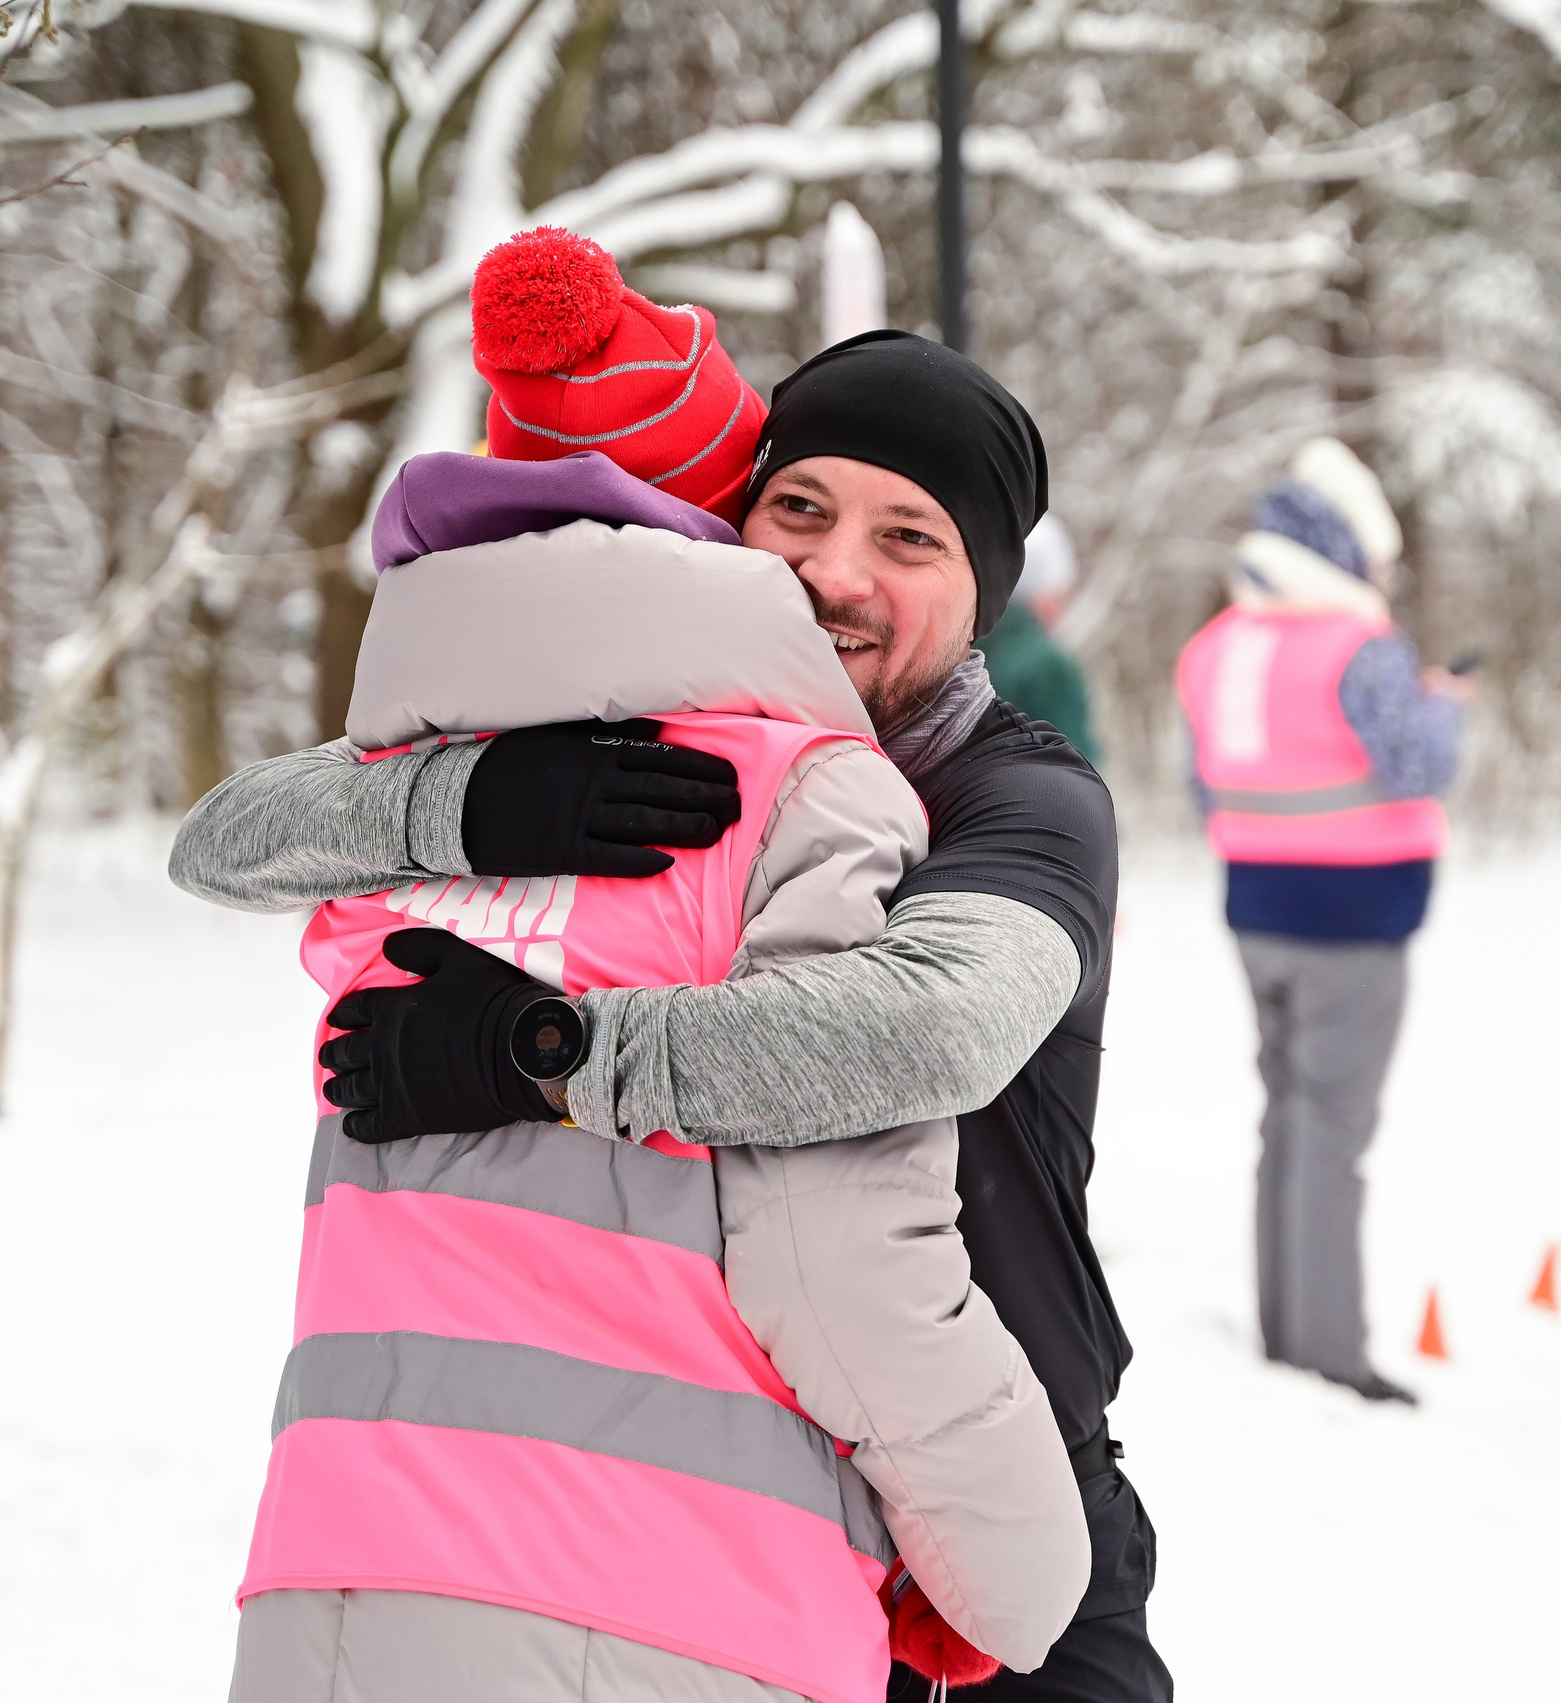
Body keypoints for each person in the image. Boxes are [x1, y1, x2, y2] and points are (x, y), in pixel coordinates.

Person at [175, 328, 1168, 1700]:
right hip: (747, 1503)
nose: (836, 569)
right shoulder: (657, 750)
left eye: (911, 537)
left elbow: (929, 1023)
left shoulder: (1021, 798)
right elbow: (224, 841)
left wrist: (548, 1052)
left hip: (1002, 1488)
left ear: (982, 590)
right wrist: (456, 804)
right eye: (801, 509)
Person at [1173, 440, 1468, 1407]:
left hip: (1256, 910)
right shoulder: (1360, 648)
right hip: (1355, 916)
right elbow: (1417, 765)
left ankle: (1284, 1335)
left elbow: (1200, 783)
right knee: (1333, 1130)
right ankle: (1330, 1357)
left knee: (1287, 1122)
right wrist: (1448, 708)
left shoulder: (1214, 647)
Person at [975, 514, 1097, 763]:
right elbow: (1079, 769)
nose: (1061, 608)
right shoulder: (1048, 666)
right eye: (1059, 594)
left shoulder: (959, 646)